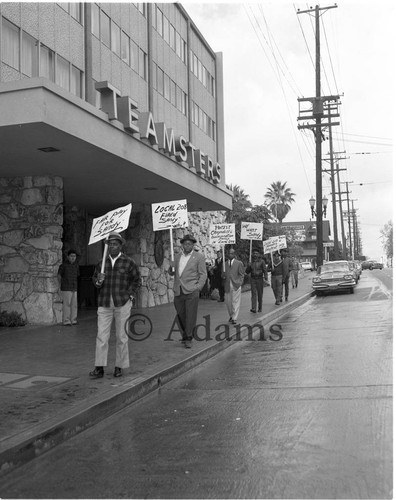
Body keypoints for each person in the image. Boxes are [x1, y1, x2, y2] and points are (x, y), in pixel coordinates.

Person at [89, 232, 140, 379]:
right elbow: (96, 281)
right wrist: (98, 280)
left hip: (122, 302)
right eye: (110, 244)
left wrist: (130, 295)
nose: (112, 246)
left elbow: (136, 280)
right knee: (101, 336)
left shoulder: (128, 262)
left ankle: (119, 366)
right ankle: (99, 367)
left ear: (120, 246)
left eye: (115, 244)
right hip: (104, 303)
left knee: (121, 336)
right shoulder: (101, 263)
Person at [170, 234, 207, 349]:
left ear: (193, 245)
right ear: (182, 245)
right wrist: (170, 268)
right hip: (178, 290)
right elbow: (172, 273)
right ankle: (185, 334)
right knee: (181, 314)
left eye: (190, 243)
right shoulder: (176, 257)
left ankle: (189, 338)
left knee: (190, 314)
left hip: (192, 290)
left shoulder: (199, 257)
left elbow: (203, 274)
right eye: (185, 243)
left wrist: (198, 288)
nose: (187, 245)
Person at [223, 247, 245, 324]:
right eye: (229, 253)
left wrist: (239, 283)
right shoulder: (224, 263)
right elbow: (222, 274)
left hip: (236, 284)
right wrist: (223, 276)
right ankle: (231, 315)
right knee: (228, 302)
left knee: (235, 301)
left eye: (232, 253)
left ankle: (234, 318)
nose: (230, 254)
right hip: (227, 285)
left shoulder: (239, 263)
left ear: (234, 254)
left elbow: (242, 274)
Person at [58, 249, 80, 326]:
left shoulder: (76, 265)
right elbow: (59, 276)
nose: (73, 258)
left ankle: (73, 320)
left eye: (74, 256)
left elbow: (77, 276)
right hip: (66, 288)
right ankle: (66, 321)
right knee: (67, 304)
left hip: (74, 287)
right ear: (68, 257)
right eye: (71, 256)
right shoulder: (63, 265)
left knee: (74, 305)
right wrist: (60, 285)